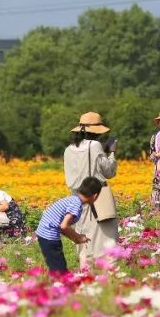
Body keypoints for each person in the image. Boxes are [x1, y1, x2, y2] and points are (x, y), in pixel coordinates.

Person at [63, 112, 118, 267]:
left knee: (83, 236)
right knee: (106, 237)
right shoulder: (95, 145)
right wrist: (112, 152)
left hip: (76, 198)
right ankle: (109, 272)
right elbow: (109, 171)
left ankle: (85, 269)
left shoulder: (69, 149)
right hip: (96, 196)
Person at [35, 177, 102, 274]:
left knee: (56, 265)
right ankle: (60, 285)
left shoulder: (73, 200)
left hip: (44, 234)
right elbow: (64, 226)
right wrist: (78, 237)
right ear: (95, 196)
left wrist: (75, 239)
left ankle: (58, 283)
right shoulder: (76, 205)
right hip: (49, 236)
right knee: (59, 269)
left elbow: (62, 226)